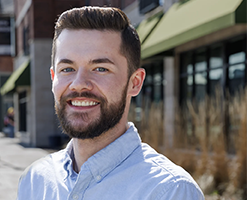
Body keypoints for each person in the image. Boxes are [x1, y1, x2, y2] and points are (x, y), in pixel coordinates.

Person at [17, 6, 204, 200]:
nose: (79, 83)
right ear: (53, 78)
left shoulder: (169, 191)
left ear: (135, 82)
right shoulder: (35, 180)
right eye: (67, 69)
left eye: (100, 68)